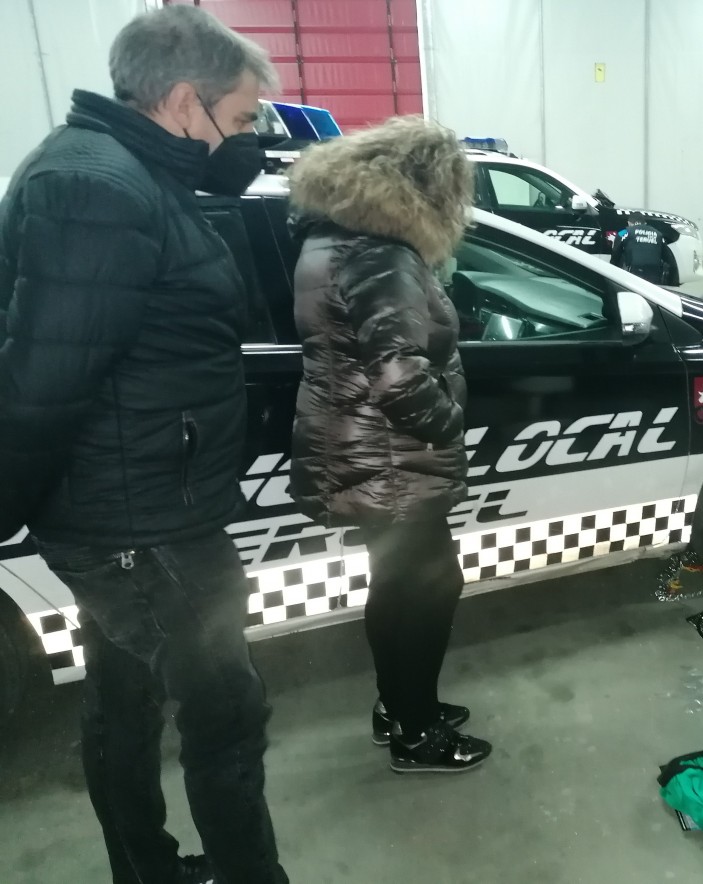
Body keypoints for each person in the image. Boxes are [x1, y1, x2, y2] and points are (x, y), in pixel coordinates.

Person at [0, 7, 289, 883]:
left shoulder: (117, 172)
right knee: (225, 715)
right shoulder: (98, 189)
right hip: (138, 523)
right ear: (179, 101)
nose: (242, 138)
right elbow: (45, 379)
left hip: (139, 502)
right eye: (237, 118)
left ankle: (145, 870)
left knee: (124, 699)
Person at [287, 117, 492, 773]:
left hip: (365, 451)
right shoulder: (382, 252)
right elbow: (399, 376)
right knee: (428, 591)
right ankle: (417, 731)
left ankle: (398, 706)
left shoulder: (333, 240)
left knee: (398, 585)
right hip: (394, 458)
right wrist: (449, 423)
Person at [611, 213, 666, 284]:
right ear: (645, 223)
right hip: (654, 273)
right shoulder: (658, 234)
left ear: (629, 223)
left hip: (634, 272)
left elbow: (616, 254)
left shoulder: (623, 232)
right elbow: (668, 257)